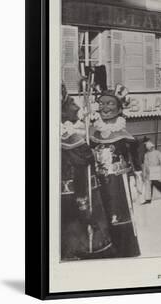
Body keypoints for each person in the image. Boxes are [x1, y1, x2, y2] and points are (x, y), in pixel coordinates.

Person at [61, 86, 114, 260]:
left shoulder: (70, 131)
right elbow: (84, 156)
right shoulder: (66, 135)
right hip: (74, 196)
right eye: (71, 103)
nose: (76, 107)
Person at [91, 86, 140, 257]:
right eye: (101, 103)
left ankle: (124, 249)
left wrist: (136, 180)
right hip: (98, 183)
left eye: (110, 103)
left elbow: (135, 161)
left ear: (119, 109)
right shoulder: (93, 133)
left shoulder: (125, 136)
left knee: (117, 215)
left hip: (118, 183)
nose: (104, 107)